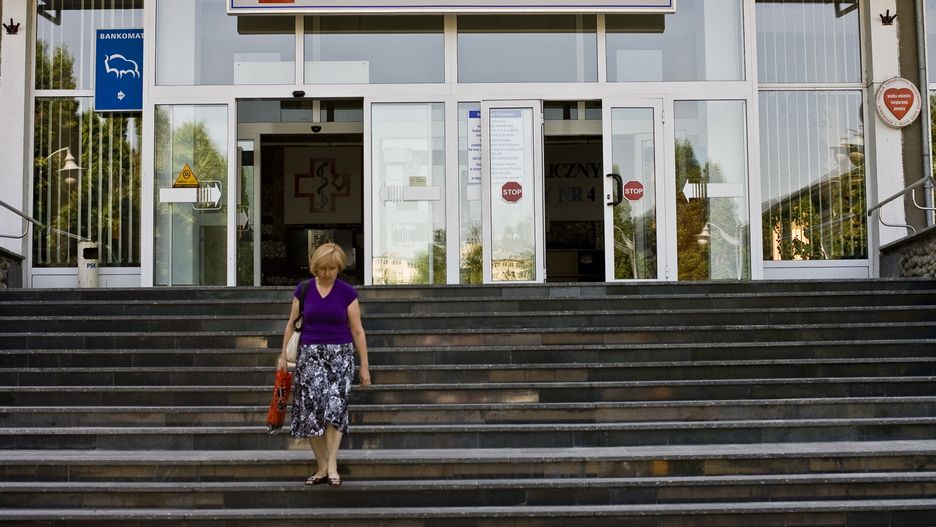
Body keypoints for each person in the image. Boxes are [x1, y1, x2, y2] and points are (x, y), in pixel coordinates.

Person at [277, 242, 371, 487]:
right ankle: (321, 466)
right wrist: (283, 357)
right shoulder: (304, 290)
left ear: (339, 268)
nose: (328, 273)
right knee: (311, 412)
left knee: (335, 409)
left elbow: (358, 331)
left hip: (340, 357)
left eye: (333, 269)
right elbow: (291, 324)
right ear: (315, 267)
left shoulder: (347, 293)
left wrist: (364, 365)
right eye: (323, 268)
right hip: (309, 357)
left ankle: (332, 465)